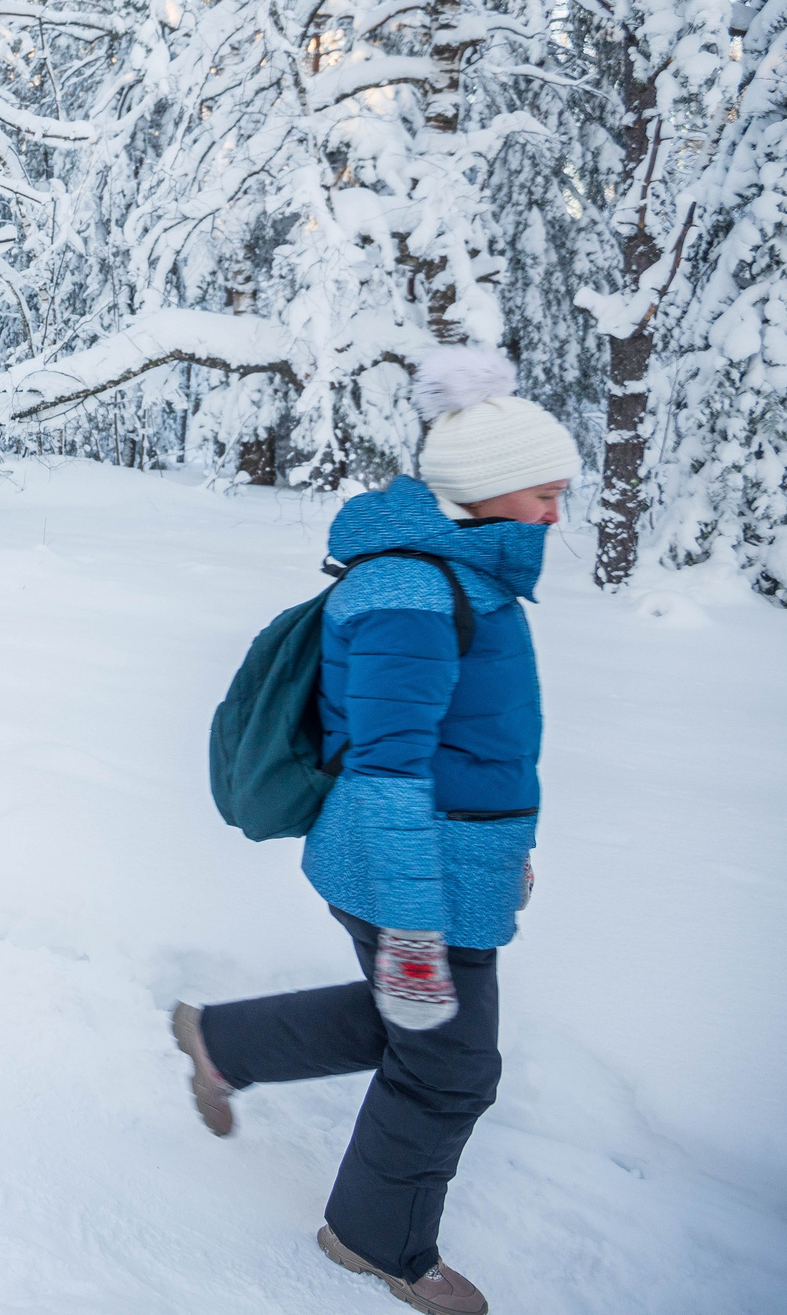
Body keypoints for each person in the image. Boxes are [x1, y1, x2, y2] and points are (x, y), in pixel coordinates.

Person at [171, 348, 577, 1315]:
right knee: (451, 1069)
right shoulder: (412, 593)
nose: (556, 513)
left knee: (412, 1022)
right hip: (402, 864)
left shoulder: (460, 580)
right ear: (484, 491)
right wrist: (411, 925)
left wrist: (502, 841)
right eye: (543, 492)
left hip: (449, 858)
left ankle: (220, 1039)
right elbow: (391, 769)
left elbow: (475, 744)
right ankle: (371, 1240)